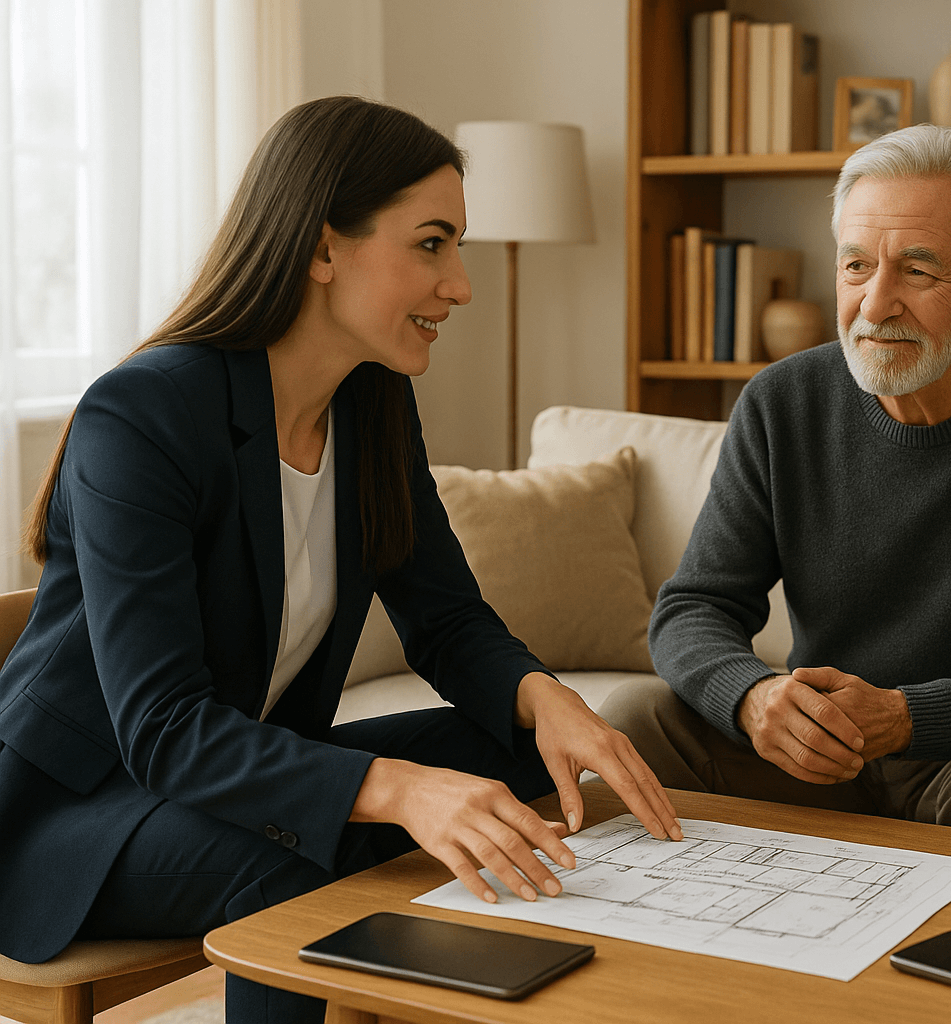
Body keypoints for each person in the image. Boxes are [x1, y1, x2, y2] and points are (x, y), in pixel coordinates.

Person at [0, 96, 679, 1024]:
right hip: (80, 816)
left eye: (459, 248)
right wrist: (401, 790)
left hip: (236, 775)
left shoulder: (372, 406)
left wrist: (547, 699)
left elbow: (444, 620)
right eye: (431, 244)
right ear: (324, 249)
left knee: (520, 756)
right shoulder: (142, 415)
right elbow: (161, 727)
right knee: (294, 859)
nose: (461, 285)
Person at [602, 125, 951, 835]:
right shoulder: (779, 402)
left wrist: (904, 717)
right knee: (634, 718)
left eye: (917, 271)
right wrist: (753, 697)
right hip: (815, 758)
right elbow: (692, 608)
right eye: (856, 267)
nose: (876, 304)